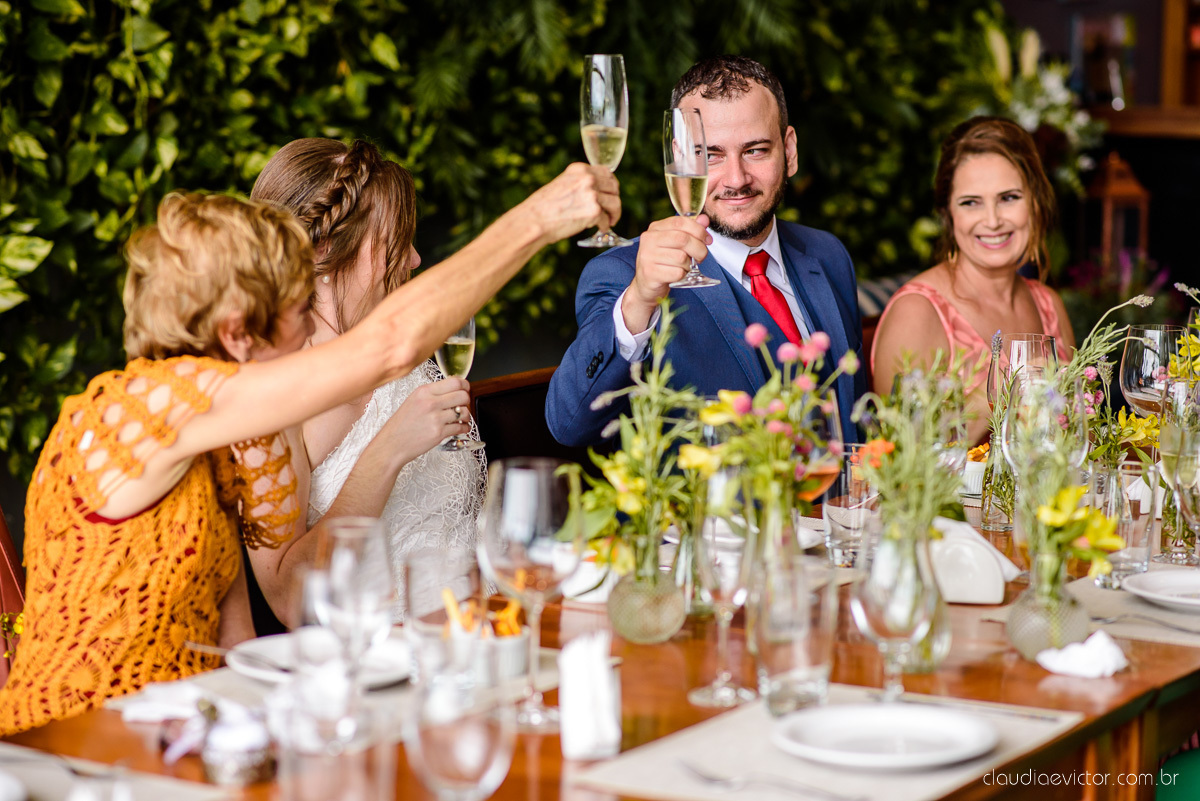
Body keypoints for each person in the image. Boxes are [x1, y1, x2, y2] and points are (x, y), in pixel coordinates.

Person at [0, 162, 618, 735]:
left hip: (187, 739)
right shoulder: (137, 411)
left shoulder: (224, 444)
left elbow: (239, 644)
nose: (315, 335)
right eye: (300, 309)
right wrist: (539, 218)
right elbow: (386, 347)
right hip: (72, 746)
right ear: (239, 333)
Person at [545, 56, 865, 448]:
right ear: (680, 160)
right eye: (710, 155)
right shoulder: (622, 275)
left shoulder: (828, 255)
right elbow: (569, 423)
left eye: (756, 150)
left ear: (790, 150)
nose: (736, 179)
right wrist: (639, 301)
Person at [246, 139, 483, 625]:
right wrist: (389, 449)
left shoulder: (407, 352)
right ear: (324, 251)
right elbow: (292, 604)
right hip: (380, 661)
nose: (415, 259)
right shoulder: (275, 399)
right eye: (395, 241)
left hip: (482, 622)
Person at [870, 116, 1075, 444]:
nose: (992, 220)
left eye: (1009, 198)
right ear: (949, 215)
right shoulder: (917, 312)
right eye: (971, 203)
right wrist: (1004, 385)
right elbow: (902, 464)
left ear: (1035, 203)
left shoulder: (1048, 303)